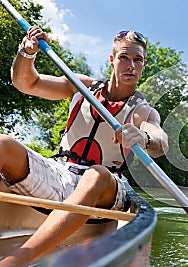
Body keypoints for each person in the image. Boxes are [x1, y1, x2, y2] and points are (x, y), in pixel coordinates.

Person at [0, 26, 168, 266]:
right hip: (61, 174)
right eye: (124, 57)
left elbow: (161, 142)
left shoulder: (143, 111)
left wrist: (145, 139)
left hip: (105, 190)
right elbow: (26, 83)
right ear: (112, 60)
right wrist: (26, 53)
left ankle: (15, 261)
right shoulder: (81, 86)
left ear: (143, 66)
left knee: (96, 174)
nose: (130, 65)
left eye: (137, 60)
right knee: (4, 144)